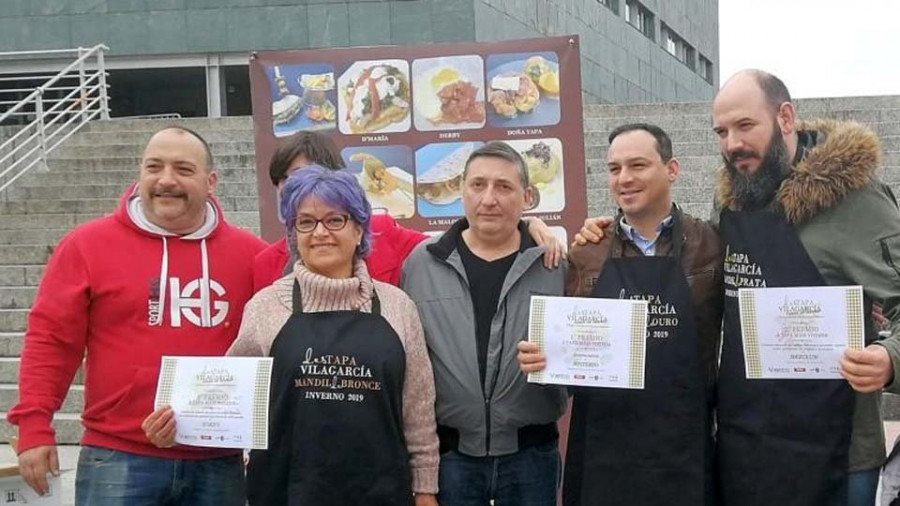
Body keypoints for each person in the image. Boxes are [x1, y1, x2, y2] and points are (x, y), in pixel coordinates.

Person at [8, 126, 267, 505]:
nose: (166, 180)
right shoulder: (87, 245)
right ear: (140, 174)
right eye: (154, 167)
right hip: (118, 455)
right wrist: (33, 425)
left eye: (183, 169)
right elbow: (51, 340)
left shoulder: (251, 255)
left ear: (210, 181)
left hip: (217, 461)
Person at [711, 70, 900, 506]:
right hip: (748, 445)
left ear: (786, 117)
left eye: (745, 126)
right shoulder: (733, 198)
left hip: (836, 454)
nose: (731, 143)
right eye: (721, 131)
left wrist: (890, 358)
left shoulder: (856, 199)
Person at [519, 123, 723, 505]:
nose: (624, 179)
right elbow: (566, 355)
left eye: (638, 165)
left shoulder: (711, 246)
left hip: (685, 446)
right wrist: (544, 359)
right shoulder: (586, 253)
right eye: (614, 169)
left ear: (672, 169)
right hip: (603, 450)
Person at [226, 166, 439, 505]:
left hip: (381, 492)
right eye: (306, 222)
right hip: (285, 491)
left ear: (359, 230)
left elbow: (418, 409)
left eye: (335, 220)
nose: (320, 232)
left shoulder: (397, 306)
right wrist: (182, 420)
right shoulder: (266, 306)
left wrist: (426, 488)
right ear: (294, 234)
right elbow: (231, 401)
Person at [402, 141, 567, 506]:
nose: (488, 198)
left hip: (532, 455)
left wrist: (560, 359)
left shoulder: (555, 265)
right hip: (451, 457)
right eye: (478, 185)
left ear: (527, 197)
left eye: (503, 187)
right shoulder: (420, 264)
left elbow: (588, 352)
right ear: (462, 191)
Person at [253, 131, 563, 292]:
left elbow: (459, 242)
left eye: (313, 174)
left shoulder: (383, 233)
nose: (302, 188)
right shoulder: (266, 264)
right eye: (288, 179)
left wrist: (525, 225)